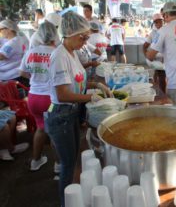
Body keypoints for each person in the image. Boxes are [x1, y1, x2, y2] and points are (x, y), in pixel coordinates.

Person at [46, 11, 112, 206]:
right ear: (69, 34)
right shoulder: (59, 57)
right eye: (82, 37)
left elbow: (78, 81)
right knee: (68, 164)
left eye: (87, 37)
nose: (85, 42)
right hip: (60, 114)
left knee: (73, 158)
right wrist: (90, 97)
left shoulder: (72, 53)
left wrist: (96, 85)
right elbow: (63, 94)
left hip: (71, 112)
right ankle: (66, 201)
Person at [19, 21, 59, 171]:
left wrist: (35, 77)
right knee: (55, 131)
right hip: (51, 98)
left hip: (33, 97)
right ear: (55, 34)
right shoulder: (56, 52)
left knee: (40, 128)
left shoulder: (31, 52)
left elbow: (22, 73)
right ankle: (59, 164)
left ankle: (35, 161)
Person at [143, 13, 166, 93]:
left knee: (160, 76)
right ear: (154, 24)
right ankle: (162, 94)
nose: (158, 24)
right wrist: (147, 57)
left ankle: (159, 91)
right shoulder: (153, 33)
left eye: (160, 21)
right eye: (156, 22)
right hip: (158, 59)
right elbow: (145, 46)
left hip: (166, 59)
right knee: (161, 76)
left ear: (163, 21)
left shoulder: (167, 30)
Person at [0, 20, 28, 85]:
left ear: (9, 29)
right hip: (16, 74)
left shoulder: (13, 42)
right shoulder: (20, 38)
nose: (0, 32)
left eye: (0, 29)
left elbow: (1, 56)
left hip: (11, 77)